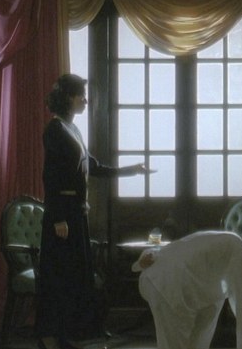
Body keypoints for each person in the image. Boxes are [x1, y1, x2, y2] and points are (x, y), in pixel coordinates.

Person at [37, 74, 153, 349]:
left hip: (77, 214)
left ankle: (66, 335)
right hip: (62, 216)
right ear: (68, 97)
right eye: (81, 95)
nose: (85, 100)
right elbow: (50, 177)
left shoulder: (73, 130)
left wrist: (131, 170)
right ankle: (48, 338)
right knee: (58, 279)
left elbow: (94, 167)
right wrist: (58, 218)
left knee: (73, 279)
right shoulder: (54, 130)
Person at [132, 231, 242, 349]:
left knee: (212, 307)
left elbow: (180, 247)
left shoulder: (227, 242)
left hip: (157, 276)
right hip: (167, 285)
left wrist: (144, 260)